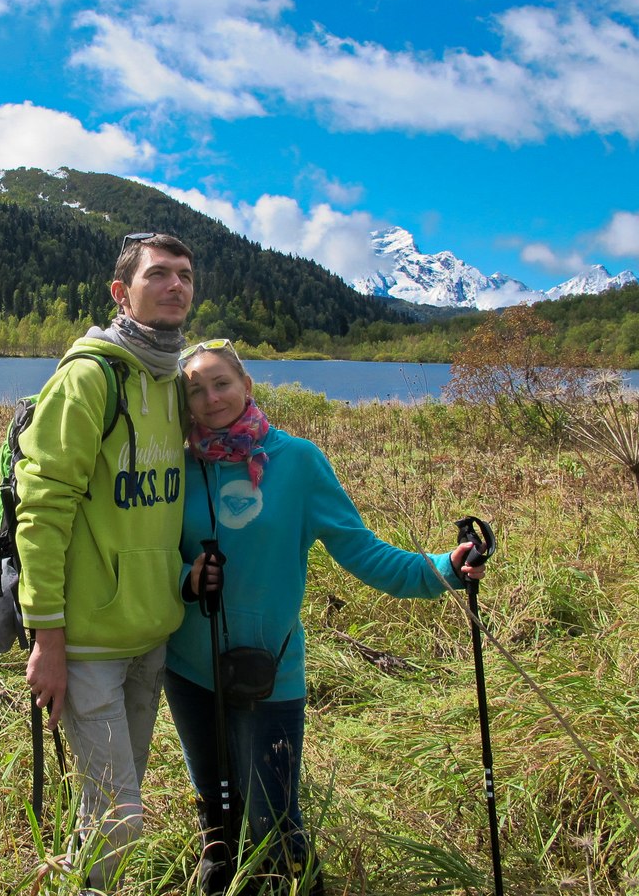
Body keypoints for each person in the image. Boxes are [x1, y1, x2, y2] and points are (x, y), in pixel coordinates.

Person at [166, 338, 487, 895]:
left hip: (270, 673)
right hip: (189, 668)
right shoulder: (177, 465)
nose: (211, 398)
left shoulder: (298, 462)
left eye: (221, 383)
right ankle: (220, 875)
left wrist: (443, 570)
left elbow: (361, 550)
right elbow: (150, 553)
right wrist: (184, 577)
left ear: (246, 385)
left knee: (275, 824)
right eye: (196, 390)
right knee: (216, 812)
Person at [17, 232, 196, 891]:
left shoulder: (177, 382)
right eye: (159, 274)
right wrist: (48, 639)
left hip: (152, 632)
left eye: (185, 275)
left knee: (109, 806)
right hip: (88, 641)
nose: (175, 285)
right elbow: (42, 509)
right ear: (122, 292)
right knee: (122, 819)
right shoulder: (91, 377)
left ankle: (75, 880)